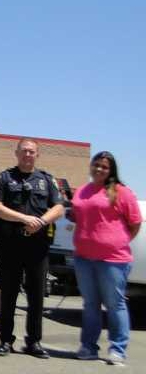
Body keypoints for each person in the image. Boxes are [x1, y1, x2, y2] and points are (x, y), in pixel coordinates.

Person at [0, 138, 64, 358]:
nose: (28, 155)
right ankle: (5, 340)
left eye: (31, 152)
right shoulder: (4, 178)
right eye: (24, 151)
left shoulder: (47, 180)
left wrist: (40, 222)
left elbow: (59, 208)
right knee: (8, 295)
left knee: (37, 296)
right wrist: (24, 219)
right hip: (10, 246)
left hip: (37, 247)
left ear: (37, 155)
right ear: (17, 153)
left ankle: (34, 342)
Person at [71, 151, 142, 365]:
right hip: (83, 258)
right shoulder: (82, 191)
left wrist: (118, 241)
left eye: (104, 166)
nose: (99, 169)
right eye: (96, 165)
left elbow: (135, 223)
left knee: (115, 304)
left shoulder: (121, 192)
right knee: (90, 304)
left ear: (111, 170)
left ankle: (117, 349)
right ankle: (88, 347)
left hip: (113, 260)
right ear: (91, 166)